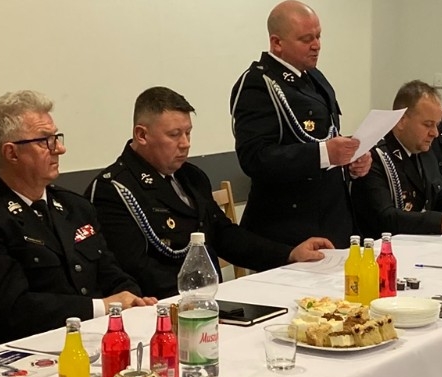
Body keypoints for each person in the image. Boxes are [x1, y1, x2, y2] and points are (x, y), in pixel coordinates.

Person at [0, 91, 153, 350]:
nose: (60, 149)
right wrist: (103, 307)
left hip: (94, 343)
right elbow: (11, 311)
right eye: (46, 141)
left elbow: (111, 274)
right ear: (12, 153)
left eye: (57, 138)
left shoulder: (74, 207)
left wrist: (132, 299)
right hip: (23, 357)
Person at [90, 87, 333, 297]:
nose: (185, 143)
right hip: (163, 306)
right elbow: (134, 268)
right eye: (174, 135)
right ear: (142, 135)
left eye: (188, 132)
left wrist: (289, 253)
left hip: (208, 298)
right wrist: (204, 294)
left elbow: (224, 235)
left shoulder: (191, 176)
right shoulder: (114, 190)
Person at [230, 0, 369, 247]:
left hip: (332, 220)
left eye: (318, 36)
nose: (316, 45)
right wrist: (325, 153)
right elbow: (254, 157)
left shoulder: (314, 78)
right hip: (287, 229)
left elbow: (325, 136)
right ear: (277, 43)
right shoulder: (258, 84)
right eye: (306, 39)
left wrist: (351, 156)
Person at [353, 80, 442, 237]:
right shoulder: (375, 156)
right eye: (428, 124)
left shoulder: (423, 150)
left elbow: (441, 192)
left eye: (436, 125)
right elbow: (385, 218)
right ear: (401, 121)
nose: (435, 133)